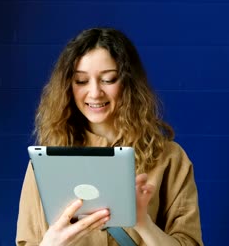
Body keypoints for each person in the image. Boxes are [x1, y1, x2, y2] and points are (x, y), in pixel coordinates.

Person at [16, 27, 203, 246]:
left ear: (128, 83)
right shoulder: (44, 165)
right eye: (81, 81)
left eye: (108, 79)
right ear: (68, 86)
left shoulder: (170, 158)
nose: (95, 93)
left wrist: (143, 223)